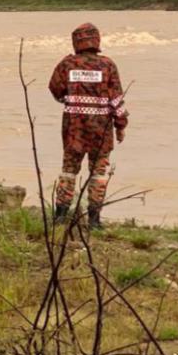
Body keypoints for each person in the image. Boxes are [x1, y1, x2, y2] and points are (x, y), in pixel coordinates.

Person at [49, 23, 129, 229]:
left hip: (73, 129)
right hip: (101, 131)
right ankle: (94, 220)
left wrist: (68, 98)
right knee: (99, 173)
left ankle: (60, 217)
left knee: (68, 170)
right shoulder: (108, 65)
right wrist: (121, 125)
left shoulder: (67, 64)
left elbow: (55, 88)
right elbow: (116, 99)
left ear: (76, 42)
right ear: (97, 40)